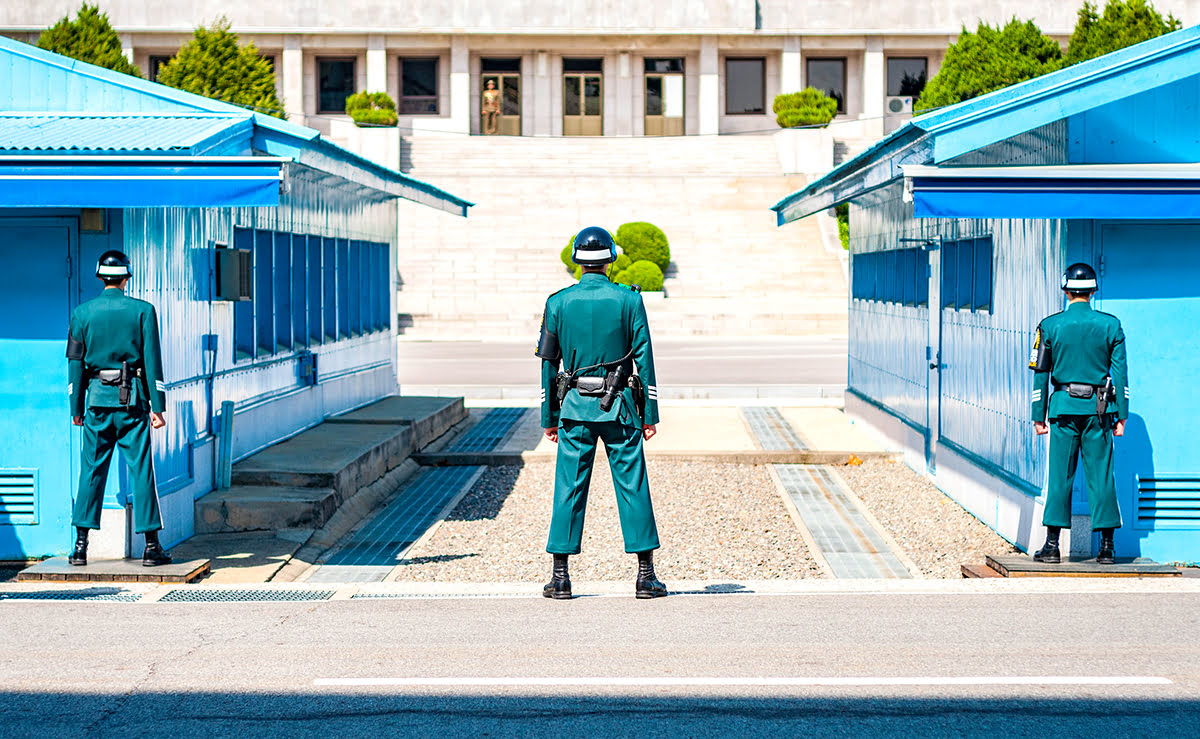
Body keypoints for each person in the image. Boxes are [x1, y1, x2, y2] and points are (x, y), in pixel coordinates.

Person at [535, 227, 666, 599]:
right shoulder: (629, 300)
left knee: (568, 489)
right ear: (610, 258)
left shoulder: (557, 303)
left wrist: (549, 416)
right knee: (633, 486)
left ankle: (560, 577)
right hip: (621, 409)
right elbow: (645, 358)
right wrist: (649, 413)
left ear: (577, 259)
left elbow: (547, 364)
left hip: (574, 410)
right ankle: (645, 576)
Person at [66, 250, 172, 567]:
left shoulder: (81, 314)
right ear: (127, 278)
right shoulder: (143, 311)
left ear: (100, 277)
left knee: (91, 471)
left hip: (96, 402)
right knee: (141, 470)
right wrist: (158, 406)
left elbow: (75, 365)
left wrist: (76, 406)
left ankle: (81, 546)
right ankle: (151, 546)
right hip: (133, 402)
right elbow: (152, 361)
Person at [1029, 262, 1128, 565]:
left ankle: (1051, 546)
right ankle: (1107, 547)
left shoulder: (1050, 325)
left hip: (1062, 410)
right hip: (1099, 411)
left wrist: (1038, 413)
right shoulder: (1111, 325)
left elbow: (1040, 373)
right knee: (1101, 476)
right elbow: (1121, 374)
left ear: (1065, 289)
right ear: (1093, 290)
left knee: (1060, 476)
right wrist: (1122, 414)